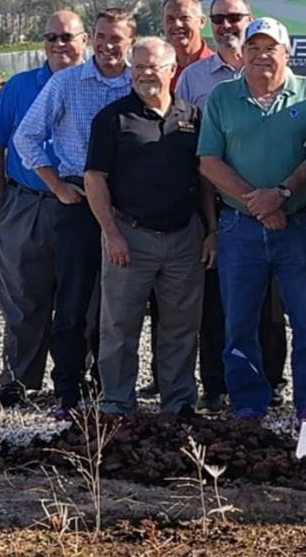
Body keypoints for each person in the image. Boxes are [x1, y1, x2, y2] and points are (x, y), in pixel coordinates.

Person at [197, 17, 306, 425]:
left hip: (298, 225)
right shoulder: (222, 97)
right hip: (241, 226)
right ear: (243, 53)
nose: (261, 55)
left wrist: (282, 194)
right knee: (239, 321)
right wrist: (258, 203)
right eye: (253, 47)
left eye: (271, 48)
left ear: (287, 53)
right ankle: (248, 401)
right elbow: (209, 161)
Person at [14, 8, 136, 420]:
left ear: (130, 42)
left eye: (115, 38)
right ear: (91, 39)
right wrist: (57, 186)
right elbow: (26, 136)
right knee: (74, 298)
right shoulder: (66, 83)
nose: (106, 45)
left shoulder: (142, 81)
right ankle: (67, 388)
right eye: (100, 37)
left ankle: (112, 387)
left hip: (130, 204)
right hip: (80, 202)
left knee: (119, 300)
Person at [84, 37, 216, 416]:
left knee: (180, 326)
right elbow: (95, 178)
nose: (144, 74)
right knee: (119, 327)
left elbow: (204, 178)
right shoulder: (112, 118)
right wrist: (111, 234)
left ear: (172, 70)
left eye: (153, 66)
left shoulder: (192, 117)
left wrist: (211, 231)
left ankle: (178, 404)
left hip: (184, 239)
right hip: (131, 237)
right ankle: (117, 403)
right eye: (138, 67)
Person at [174, 0, 289, 415]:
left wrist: (275, 200)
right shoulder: (195, 78)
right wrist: (211, 223)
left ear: (250, 20)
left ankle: (272, 381)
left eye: (234, 18)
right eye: (219, 19)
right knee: (220, 303)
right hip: (222, 207)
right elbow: (198, 156)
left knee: (270, 306)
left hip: (280, 209)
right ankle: (217, 384)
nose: (227, 26)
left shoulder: (286, 78)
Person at [0, 10, 86, 407]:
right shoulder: (21, 87)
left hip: (81, 205)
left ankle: (78, 378)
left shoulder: (95, 84)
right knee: (23, 297)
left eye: (67, 37)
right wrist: (0, 203)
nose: (59, 45)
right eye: (51, 37)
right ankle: (17, 381)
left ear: (84, 40)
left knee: (83, 297)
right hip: (28, 204)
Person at [162, 0, 214, 88]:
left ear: (202, 22)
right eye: (170, 19)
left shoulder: (217, 68)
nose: (177, 24)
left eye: (184, 18)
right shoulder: (159, 70)